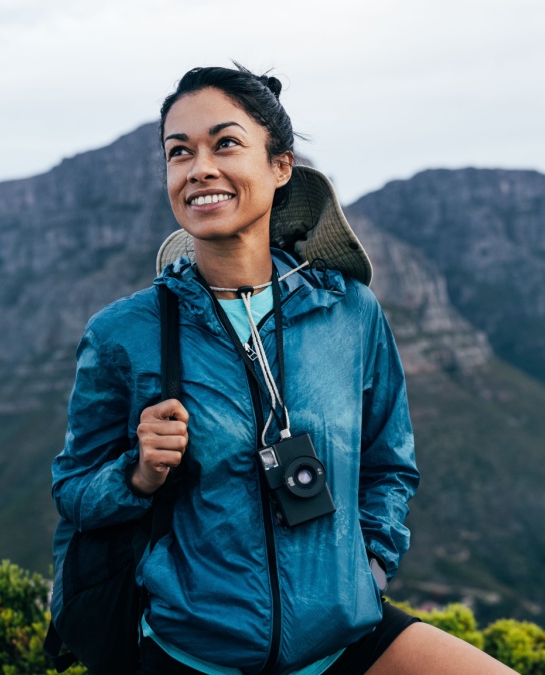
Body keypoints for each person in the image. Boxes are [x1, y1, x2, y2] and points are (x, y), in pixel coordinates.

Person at [51, 64, 512, 674]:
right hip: (197, 654)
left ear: (280, 166)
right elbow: (73, 488)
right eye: (179, 152)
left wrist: (369, 568)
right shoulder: (124, 333)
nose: (200, 168)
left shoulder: (349, 311)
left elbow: (389, 462)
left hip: (346, 637)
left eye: (226, 143)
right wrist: (138, 476)